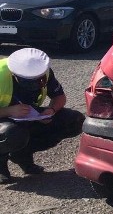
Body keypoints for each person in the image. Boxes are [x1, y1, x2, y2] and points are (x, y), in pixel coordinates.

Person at [0, 48, 84, 183]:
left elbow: (60, 97)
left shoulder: (44, 71)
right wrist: (9, 111)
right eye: (28, 81)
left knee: (74, 120)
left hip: (27, 115)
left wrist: (51, 110)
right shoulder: (1, 73)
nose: (35, 84)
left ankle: (21, 154)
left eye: (38, 80)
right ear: (14, 74)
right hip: (5, 120)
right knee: (11, 133)